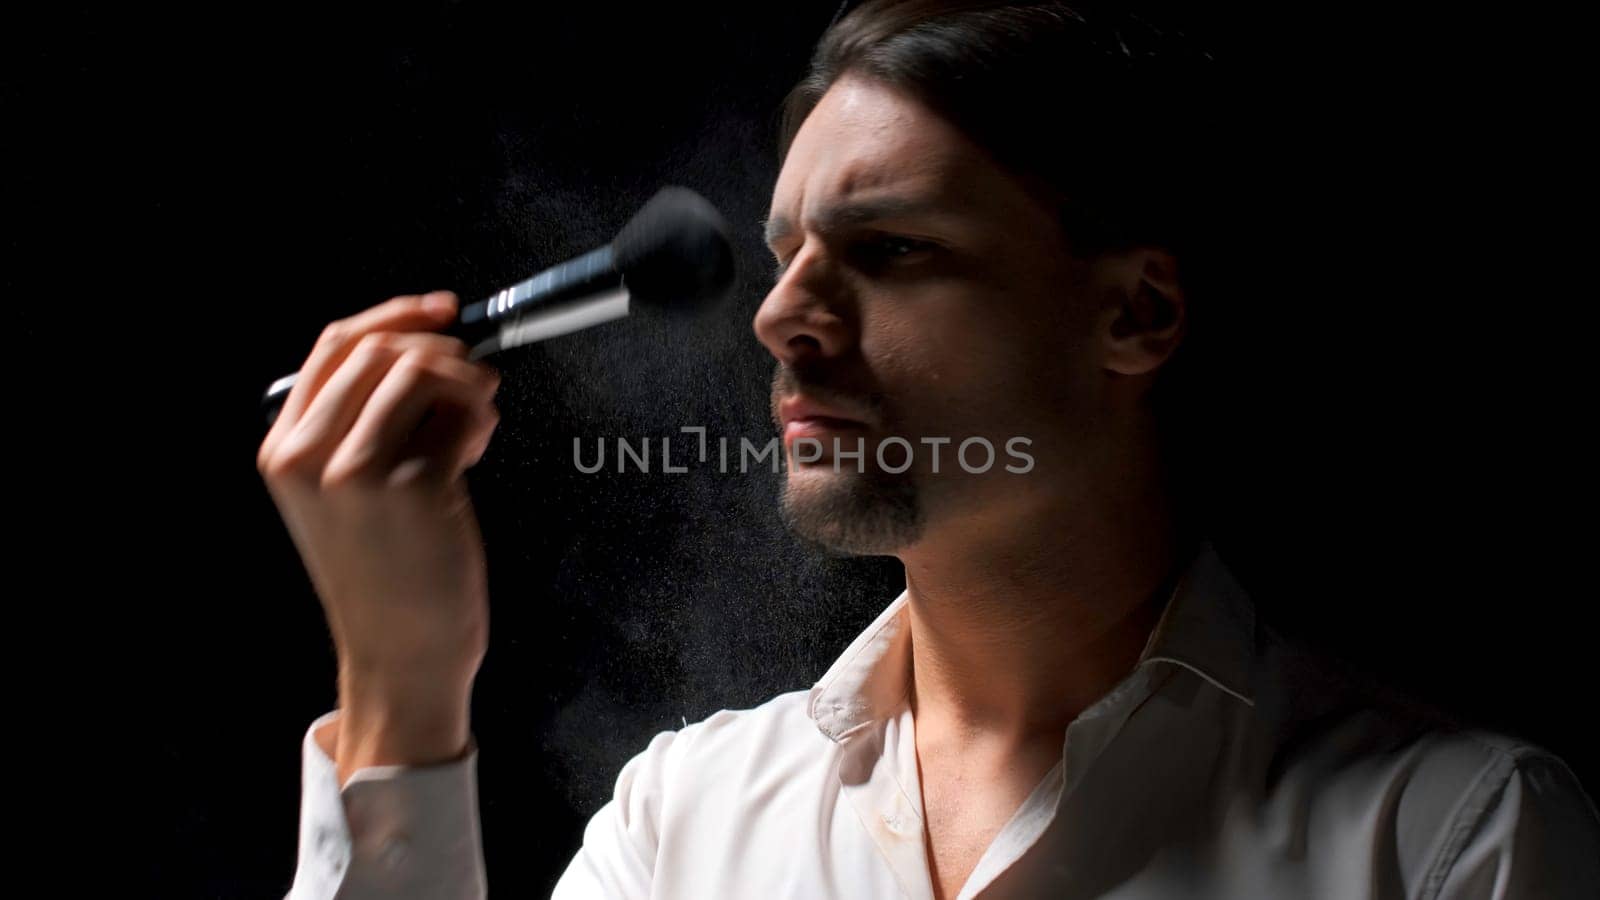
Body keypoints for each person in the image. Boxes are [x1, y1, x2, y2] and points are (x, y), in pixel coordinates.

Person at [259, 3, 1600, 898]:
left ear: (1132, 314)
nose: (780, 316)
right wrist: (401, 688)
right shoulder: (689, 824)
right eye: (786, 257)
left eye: (889, 253)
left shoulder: (1442, 841)